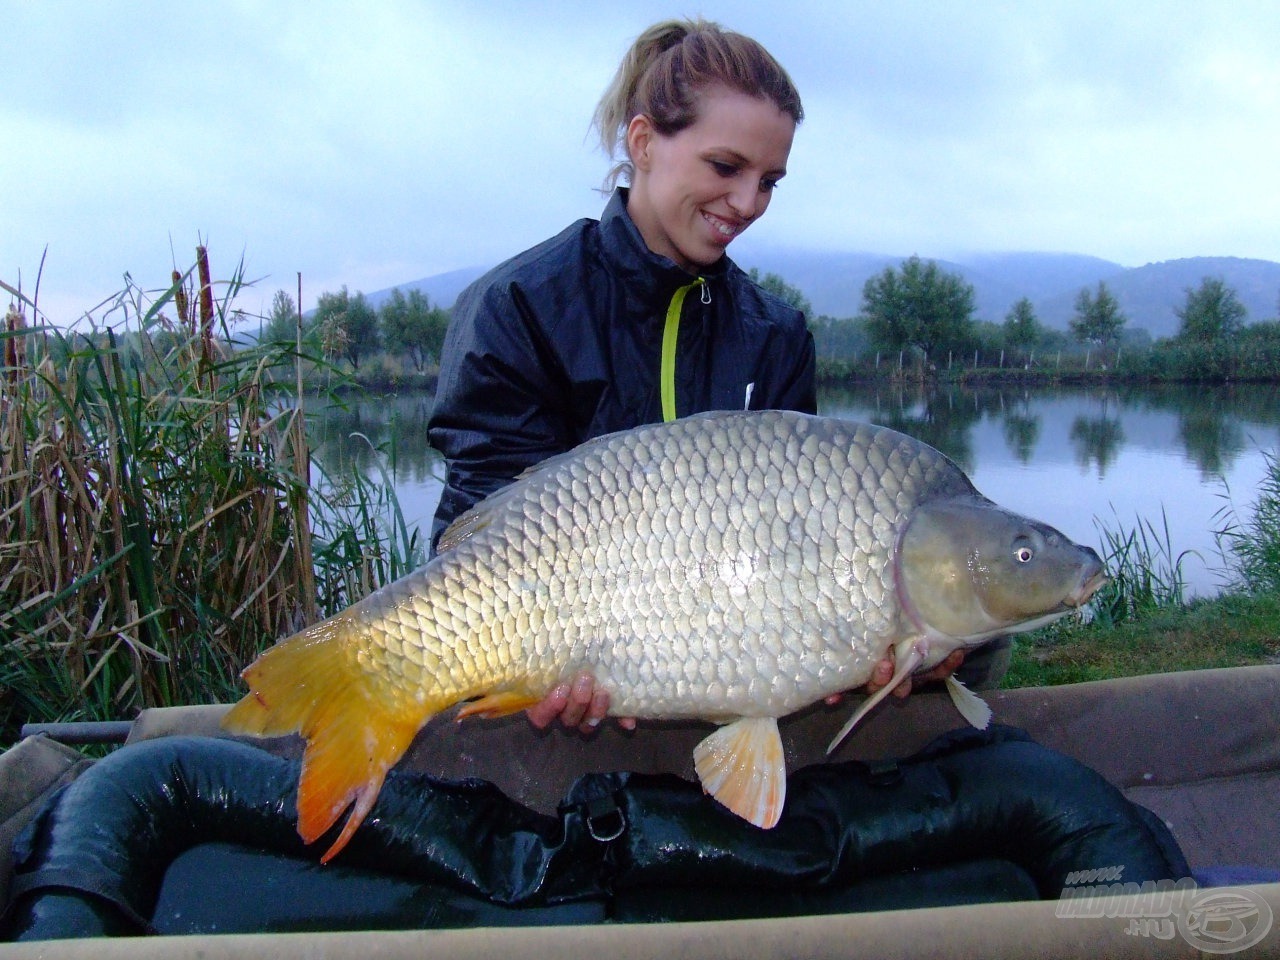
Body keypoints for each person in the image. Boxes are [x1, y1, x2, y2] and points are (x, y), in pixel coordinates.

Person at [427, 18, 963, 734]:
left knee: (974, 647)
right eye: (725, 167)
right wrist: (540, 668)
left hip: (723, 663)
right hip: (570, 646)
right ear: (643, 142)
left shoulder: (776, 335)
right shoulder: (518, 306)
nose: (747, 203)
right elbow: (475, 533)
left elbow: (805, 544)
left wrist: (851, 643)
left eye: (769, 180)